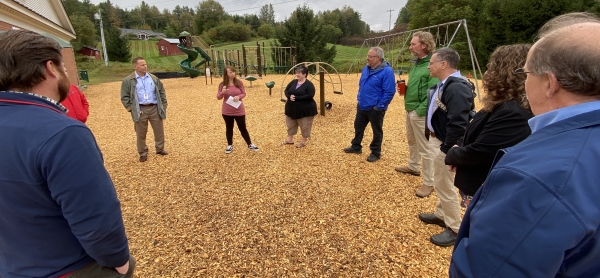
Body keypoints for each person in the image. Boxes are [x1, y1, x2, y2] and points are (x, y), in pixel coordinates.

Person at [450, 21, 600, 277]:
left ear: (550, 83)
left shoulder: (539, 175)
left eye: (526, 73)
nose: (523, 82)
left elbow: (490, 268)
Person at [0, 29, 134, 278]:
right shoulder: (62, 132)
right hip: (65, 267)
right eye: (63, 66)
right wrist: (120, 260)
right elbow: (97, 219)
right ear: (50, 68)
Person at [445, 44, 533, 207]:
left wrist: (453, 153)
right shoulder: (503, 104)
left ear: (504, 73)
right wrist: (460, 145)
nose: (486, 73)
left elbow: (483, 151)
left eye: (491, 67)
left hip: (488, 190)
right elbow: (480, 132)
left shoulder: (513, 112)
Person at [417, 47, 474, 247]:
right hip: (439, 139)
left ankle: (455, 228)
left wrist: (447, 149)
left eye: (432, 63)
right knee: (442, 182)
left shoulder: (456, 87)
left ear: (443, 64)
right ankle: (441, 215)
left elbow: (458, 122)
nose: (429, 66)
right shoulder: (447, 84)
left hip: (444, 144)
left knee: (444, 185)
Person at [395, 31, 439, 198]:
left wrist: (419, 111)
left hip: (419, 112)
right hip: (410, 108)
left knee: (425, 148)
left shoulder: (431, 64)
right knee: (412, 141)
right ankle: (414, 166)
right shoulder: (417, 63)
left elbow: (433, 92)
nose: (410, 47)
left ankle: (429, 182)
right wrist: (404, 89)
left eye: (413, 44)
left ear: (424, 45)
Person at [343, 46, 396, 162]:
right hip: (362, 105)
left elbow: (390, 91)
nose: (367, 58)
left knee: (377, 130)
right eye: (367, 56)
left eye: (370, 56)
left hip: (375, 108)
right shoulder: (366, 68)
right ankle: (356, 146)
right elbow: (361, 84)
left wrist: (379, 106)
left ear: (378, 58)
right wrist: (359, 97)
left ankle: (376, 152)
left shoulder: (387, 71)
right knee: (358, 126)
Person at [120, 56, 168, 162]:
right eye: (142, 65)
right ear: (135, 66)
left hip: (154, 107)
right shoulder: (128, 80)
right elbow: (124, 97)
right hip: (140, 109)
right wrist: (131, 109)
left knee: (159, 130)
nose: (145, 66)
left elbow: (161, 91)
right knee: (141, 133)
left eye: (145, 64)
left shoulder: (153, 78)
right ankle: (143, 152)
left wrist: (163, 105)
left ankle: (160, 148)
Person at [216, 66, 259, 154]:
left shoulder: (239, 82)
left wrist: (238, 97)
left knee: (243, 128)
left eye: (233, 72)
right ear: (226, 74)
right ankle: (229, 145)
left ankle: (250, 144)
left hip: (239, 109)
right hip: (227, 111)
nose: (233, 74)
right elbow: (218, 97)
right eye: (230, 72)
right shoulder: (222, 84)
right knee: (229, 128)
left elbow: (244, 93)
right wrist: (222, 92)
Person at [282, 65, 317, 148]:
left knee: (305, 125)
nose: (297, 74)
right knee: (291, 124)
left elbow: (310, 95)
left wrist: (297, 98)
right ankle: (290, 140)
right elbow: (286, 90)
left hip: (305, 110)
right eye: (296, 73)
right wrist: (289, 96)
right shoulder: (293, 82)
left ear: (305, 74)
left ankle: (303, 141)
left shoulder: (309, 85)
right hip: (291, 109)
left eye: (299, 73)